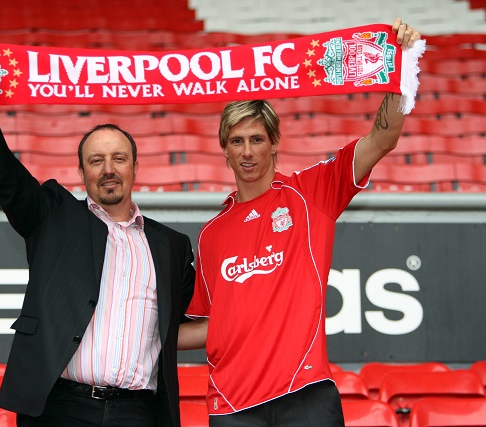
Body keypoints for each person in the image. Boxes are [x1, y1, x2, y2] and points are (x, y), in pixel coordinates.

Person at [177, 18, 422, 426]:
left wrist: (403, 63)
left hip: (303, 395)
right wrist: (135, 338)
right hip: (230, 406)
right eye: (236, 141)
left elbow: (383, 139)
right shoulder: (210, 234)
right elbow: (210, 327)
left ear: (274, 143)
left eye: (257, 139)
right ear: (224, 150)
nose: (247, 151)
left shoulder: (310, 193)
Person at [0, 51, 195, 427]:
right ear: (81, 172)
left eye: (119, 159)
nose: (108, 170)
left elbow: (184, 325)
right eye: (96, 161)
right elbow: (4, 175)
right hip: (62, 409)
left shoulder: (171, 246)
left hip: (139, 413)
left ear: (135, 167)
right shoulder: (53, 217)